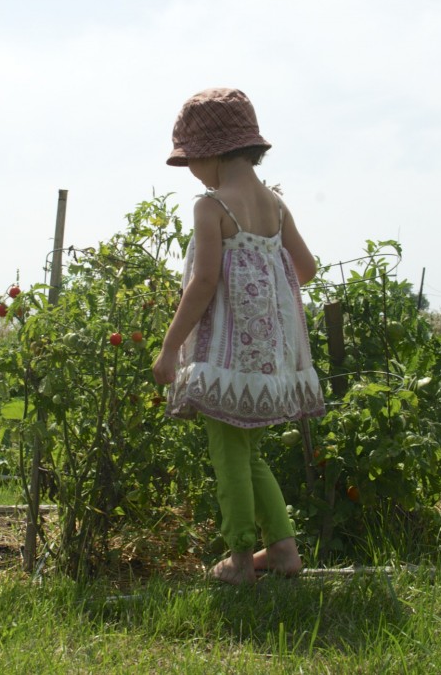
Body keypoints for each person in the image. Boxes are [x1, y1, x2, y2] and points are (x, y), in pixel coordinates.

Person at [152, 87, 325, 585]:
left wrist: (169, 349)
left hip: (224, 358)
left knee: (228, 456)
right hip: (268, 359)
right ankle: (285, 551)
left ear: (212, 152)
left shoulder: (211, 208)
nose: (191, 171)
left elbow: (203, 283)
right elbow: (306, 269)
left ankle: (241, 560)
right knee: (249, 453)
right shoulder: (275, 206)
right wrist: (264, 286)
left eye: (190, 160)